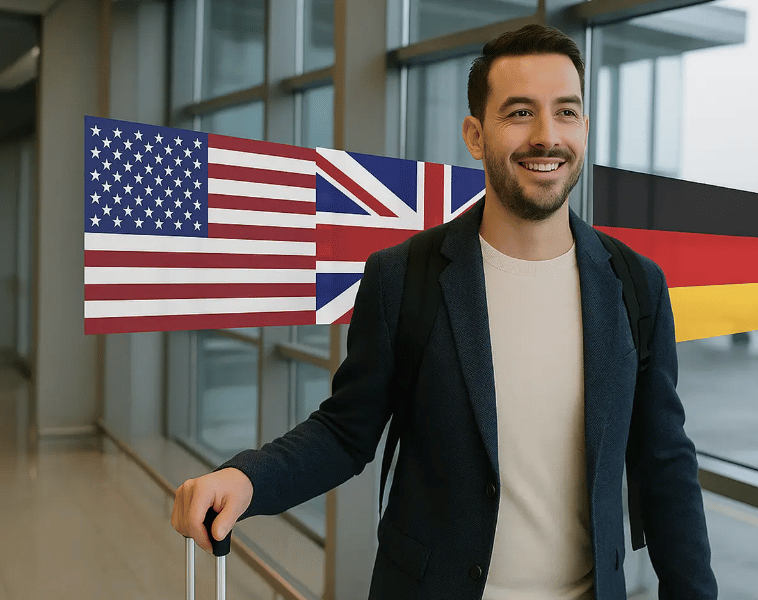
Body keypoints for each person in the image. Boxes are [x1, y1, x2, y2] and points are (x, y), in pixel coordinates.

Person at [172, 23, 717, 600]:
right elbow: (344, 433)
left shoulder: (635, 284)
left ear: (583, 126)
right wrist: (246, 479)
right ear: (476, 135)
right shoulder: (404, 276)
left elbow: (665, 465)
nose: (545, 136)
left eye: (565, 112)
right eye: (518, 113)